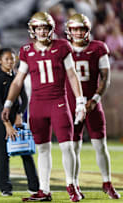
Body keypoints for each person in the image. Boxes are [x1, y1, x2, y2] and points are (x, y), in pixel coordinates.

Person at [2, 12, 86, 202]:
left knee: (66, 146)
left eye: (45, 28)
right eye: (38, 28)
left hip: (58, 102)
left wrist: (80, 101)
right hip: (37, 104)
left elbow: (72, 75)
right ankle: (44, 190)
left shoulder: (62, 46)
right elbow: (18, 81)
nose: (41, 31)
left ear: (51, 29)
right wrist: (8, 103)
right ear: (32, 30)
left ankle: (71, 184)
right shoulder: (26, 51)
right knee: (42, 149)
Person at [65, 13, 120, 199]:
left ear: (87, 30)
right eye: (75, 29)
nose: (78, 32)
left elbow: (106, 78)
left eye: (82, 29)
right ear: (69, 31)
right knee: (73, 148)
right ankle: (74, 184)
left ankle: (107, 182)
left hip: (93, 103)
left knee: (100, 146)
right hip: (70, 104)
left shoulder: (98, 48)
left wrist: (95, 99)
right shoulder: (63, 49)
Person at [0, 48, 39, 196]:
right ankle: (5, 187)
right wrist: (7, 125)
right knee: (3, 155)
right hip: (0, 121)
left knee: (26, 151)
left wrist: (19, 114)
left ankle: (34, 186)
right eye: (6, 59)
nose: (10, 62)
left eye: (12, 59)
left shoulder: (18, 77)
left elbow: (24, 99)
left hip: (16, 120)